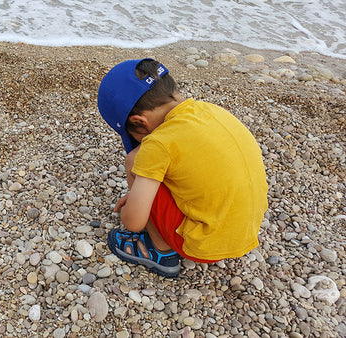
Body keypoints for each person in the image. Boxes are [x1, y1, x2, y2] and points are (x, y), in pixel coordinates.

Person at [97, 58, 268, 277]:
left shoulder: (159, 143)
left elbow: (134, 222)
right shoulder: (211, 111)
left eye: (136, 136)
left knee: (134, 159)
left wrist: (135, 201)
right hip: (247, 230)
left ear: (140, 122)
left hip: (204, 246)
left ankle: (159, 251)